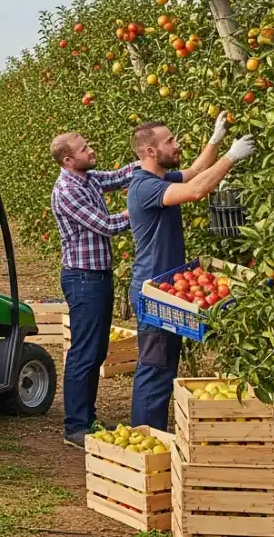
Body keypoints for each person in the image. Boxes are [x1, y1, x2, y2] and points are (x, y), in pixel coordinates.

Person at [129, 112, 255, 431]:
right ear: (150, 152)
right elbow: (196, 191)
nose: (177, 143)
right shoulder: (145, 187)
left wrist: (217, 137)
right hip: (154, 293)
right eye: (169, 140)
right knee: (155, 371)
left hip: (171, 290)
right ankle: (147, 439)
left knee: (164, 368)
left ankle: (153, 436)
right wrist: (231, 157)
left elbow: (196, 172)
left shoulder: (160, 179)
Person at [48, 132, 135, 448]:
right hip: (83, 279)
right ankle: (75, 427)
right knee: (84, 353)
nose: (92, 149)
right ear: (69, 160)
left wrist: (147, 162)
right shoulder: (68, 191)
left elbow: (117, 176)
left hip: (97, 276)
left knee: (96, 350)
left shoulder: (86, 178)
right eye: (85, 149)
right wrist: (137, 210)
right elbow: (107, 225)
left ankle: (87, 418)